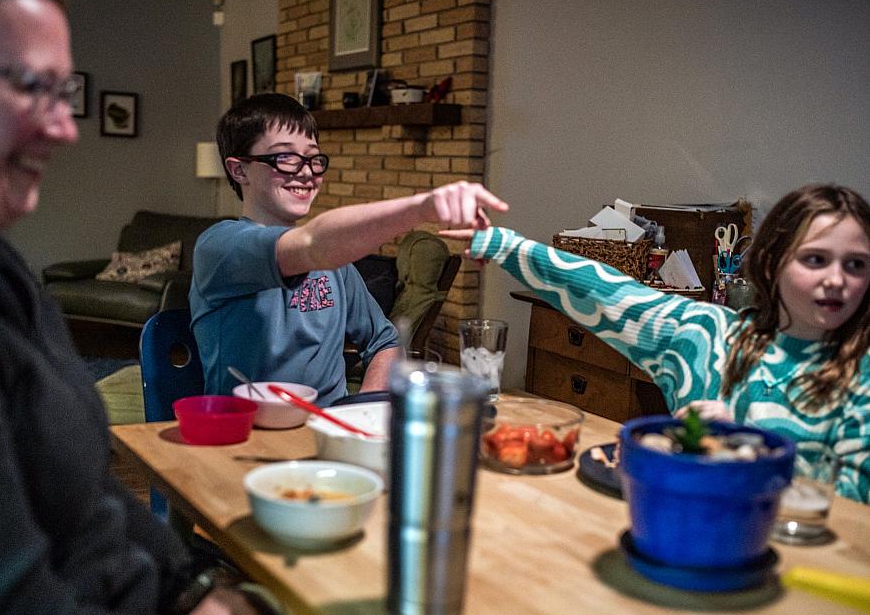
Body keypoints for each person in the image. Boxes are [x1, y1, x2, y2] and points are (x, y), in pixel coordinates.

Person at [0, 0, 298, 615]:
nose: (65, 127)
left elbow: (93, 492)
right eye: (35, 86)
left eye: (65, 94)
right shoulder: (229, 242)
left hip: (144, 596)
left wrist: (196, 581)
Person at [445, 184, 870, 503]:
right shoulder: (706, 336)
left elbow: (854, 516)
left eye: (856, 265)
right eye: (815, 259)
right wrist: (503, 245)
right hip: (677, 533)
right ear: (772, 261)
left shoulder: (860, 372)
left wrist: (743, 449)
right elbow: (607, 293)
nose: (837, 280)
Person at [190, 93, 508, 405]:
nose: (305, 172)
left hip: (331, 433)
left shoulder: (335, 265)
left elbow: (386, 341)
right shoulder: (220, 247)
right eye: (285, 157)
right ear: (239, 170)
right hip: (247, 434)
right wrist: (422, 207)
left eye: (313, 159)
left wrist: (362, 410)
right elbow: (313, 244)